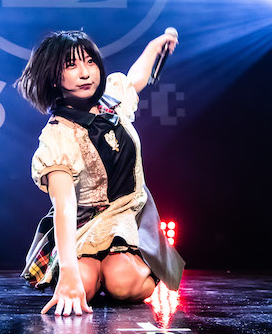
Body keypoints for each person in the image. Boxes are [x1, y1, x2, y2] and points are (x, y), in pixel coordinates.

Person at [16, 30, 185, 316]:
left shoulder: (112, 98)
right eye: (71, 65)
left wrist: (154, 47)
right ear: (54, 78)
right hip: (83, 223)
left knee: (122, 282)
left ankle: (131, 266)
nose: (85, 73)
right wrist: (68, 273)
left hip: (127, 214)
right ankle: (92, 271)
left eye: (90, 62)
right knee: (82, 284)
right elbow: (65, 207)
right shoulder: (57, 136)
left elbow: (136, 78)